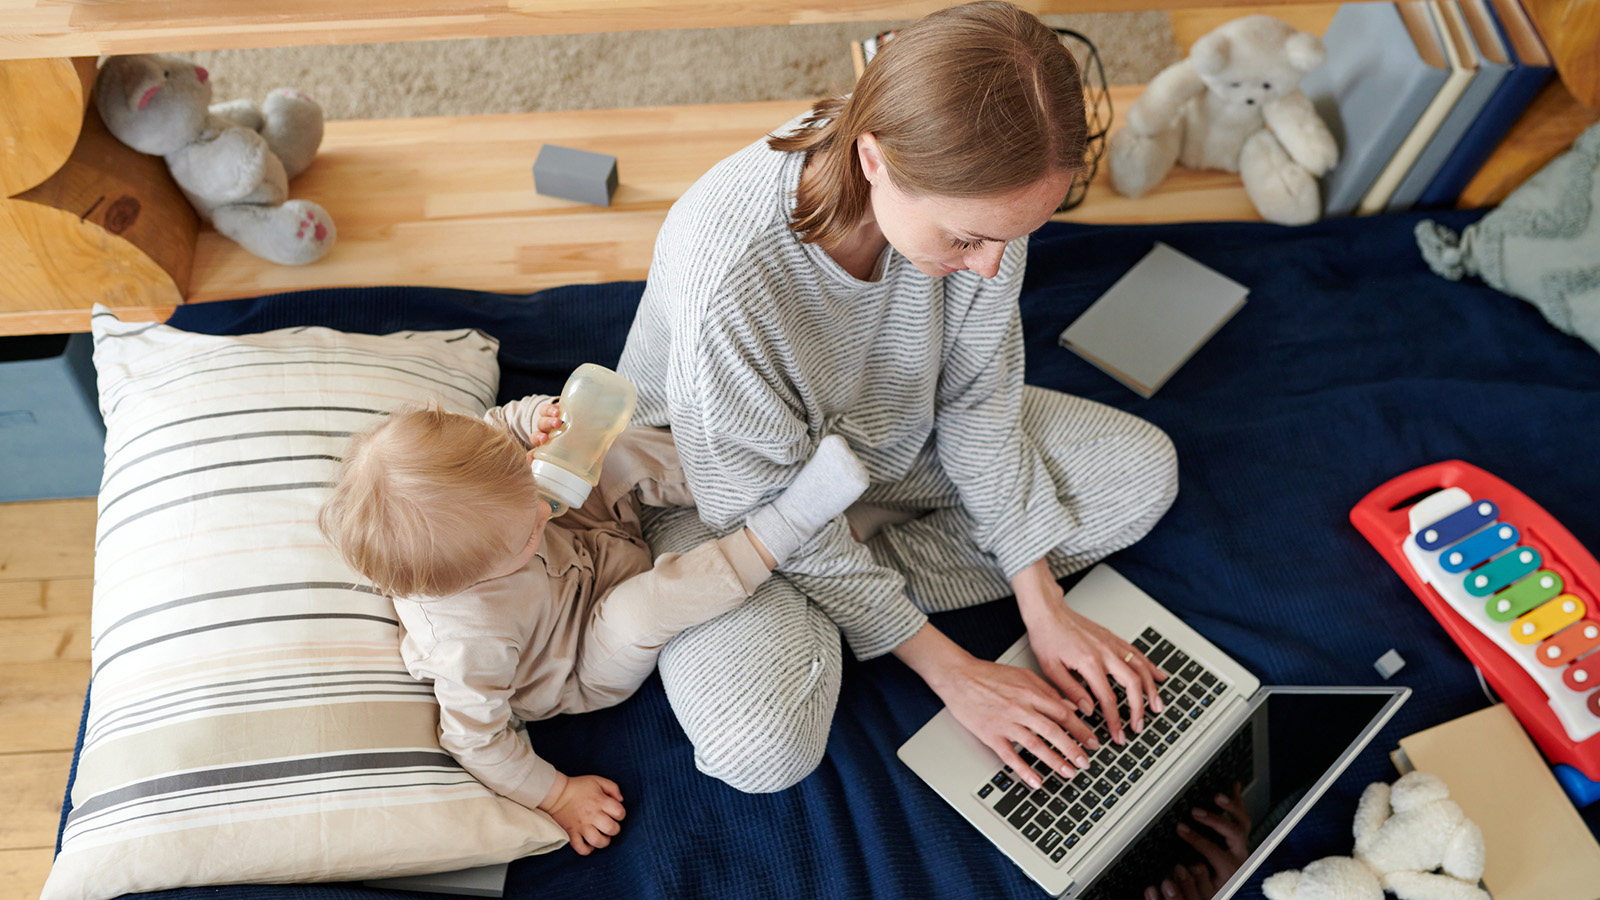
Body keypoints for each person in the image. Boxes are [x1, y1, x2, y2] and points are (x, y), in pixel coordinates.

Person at [616, 0, 1179, 795]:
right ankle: (847, 590)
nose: (991, 268)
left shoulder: (989, 220)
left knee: (1142, 472)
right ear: (874, 159)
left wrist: (1041, 599)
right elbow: (755, 504)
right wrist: (953, 670)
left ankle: (844, 589)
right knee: (759, 746)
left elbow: (979, 404)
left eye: (1016, 235)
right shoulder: (731, 273)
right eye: (966, 239)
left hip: (892, 447)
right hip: (724, 507)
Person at [318, 396, 868, 852]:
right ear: (473, 579)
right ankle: (783, 527)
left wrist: (533, 422)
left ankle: (744, 481)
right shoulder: (468, 641)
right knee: (640, 612)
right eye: (525, 532)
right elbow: (476, 742)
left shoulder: (489, 484)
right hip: (583, 650)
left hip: (588, 541)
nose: (541, 509)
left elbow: (498, 426)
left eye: (521, 481)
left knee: (611, 450)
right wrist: (557, 795)